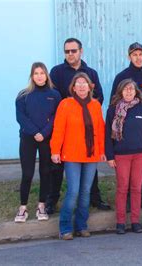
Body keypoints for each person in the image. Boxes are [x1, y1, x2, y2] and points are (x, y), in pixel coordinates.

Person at [48, 37, 109, 213]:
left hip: (88, 126)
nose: (70, 54)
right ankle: (52, 200)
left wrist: (87, 110)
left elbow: (99, 96)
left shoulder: (91, 72)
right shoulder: (57, 72)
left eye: (73, 51)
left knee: (91, 167)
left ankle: (95, 198)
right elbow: (53, 96)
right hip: (67, 123)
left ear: (80, 51)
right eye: (67, 51)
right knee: (58, 168)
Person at [50, 72, 106, 240]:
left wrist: (102, 151)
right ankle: (65, 228)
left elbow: (100, 129)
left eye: (84, 83)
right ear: (73, 87)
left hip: (91, 155)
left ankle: (82, 226)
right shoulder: (66, 104)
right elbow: (59, 129)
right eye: (78, 83)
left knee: (85, 191)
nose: (81, 86)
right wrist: (55, 151)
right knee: (73, 191)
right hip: (72, 154)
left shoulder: (95, 105)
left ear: (90, 87)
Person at [111, 42, 142, 210]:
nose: (138, 58)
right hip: (126, 130)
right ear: (129, 57)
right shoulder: (121, 77)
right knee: (126, 170)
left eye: (141, 54)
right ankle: (126, 199)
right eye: (135, 55)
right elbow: (114, 103)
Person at [105, 79, 142, 234]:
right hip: (121, 155)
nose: (128, 92)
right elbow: (107, 135)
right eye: (125, 89)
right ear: (120, 91)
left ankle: (135, 221)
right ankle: (120, 222)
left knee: (136, 188)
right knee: (122, 188)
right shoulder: (113, 110)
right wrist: (110, 156)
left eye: (131, 89)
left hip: (140, 154)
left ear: (136, 91)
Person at [14, 62, 61, 222]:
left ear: (46, 75)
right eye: (36, 73)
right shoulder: (23, 95)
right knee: (27, 173)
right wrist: (35, 132)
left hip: (46, 138)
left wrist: (44, 132)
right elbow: (20, 117)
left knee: (45, 172)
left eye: (42, 73)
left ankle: (42, 205)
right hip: (28, 138)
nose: (39, 76)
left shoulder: (54, 94)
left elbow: (56, 117)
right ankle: (23, 207)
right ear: (32, 76)